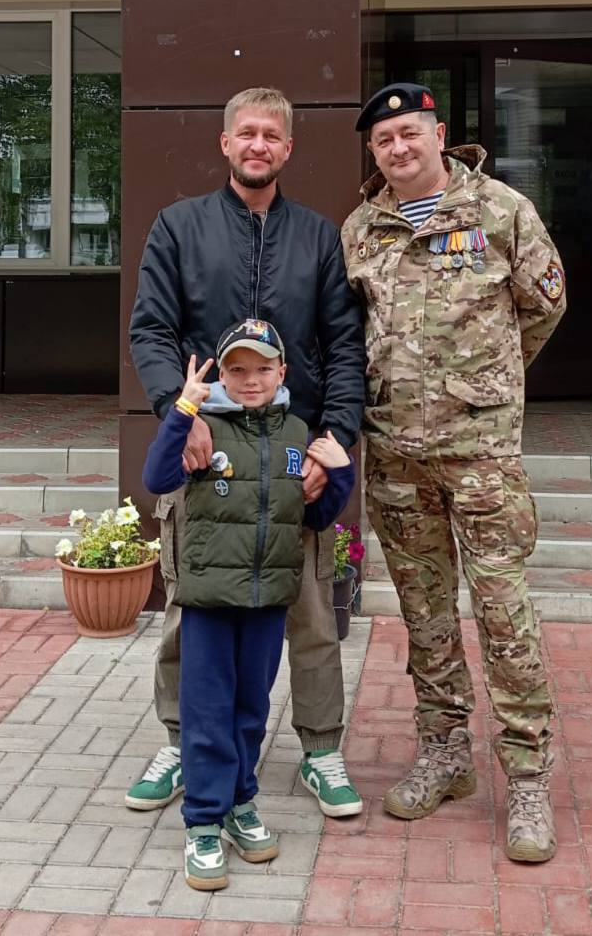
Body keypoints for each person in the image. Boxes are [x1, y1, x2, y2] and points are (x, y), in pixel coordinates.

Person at [341, 83, 566, 863]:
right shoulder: (361, 229)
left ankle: (529, 776)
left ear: (439, 136)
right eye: (383, 140)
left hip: (481, 457)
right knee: (426, 615)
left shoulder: (501, 211)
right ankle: (444, 753)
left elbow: (543, 309)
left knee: (503, 611)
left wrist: (485, 385)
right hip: (396, 458)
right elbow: (351, 330)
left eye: (409, 133)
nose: (397, 148)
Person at [128, 87, 365, 820]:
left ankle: (321, 748)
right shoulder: (179, 227)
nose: (258, 145)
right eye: (247, 133)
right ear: (225, 142)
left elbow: (345, 346)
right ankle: (182, 742)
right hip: (205, 456)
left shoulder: (318, 237)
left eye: (272, 135)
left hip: (293, 455)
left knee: (312, 614)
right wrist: (179, 414)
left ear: (288, 149)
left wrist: (334, 439)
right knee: (190, 610)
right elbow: (151, 330)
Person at [142, 318, 355, 891]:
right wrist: (182, 411)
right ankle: (203, 824)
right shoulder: (203, 428)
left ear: (283, 372)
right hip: (210, 603)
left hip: (267, 603)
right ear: (222, 376)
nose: (251, 379)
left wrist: (340, 475)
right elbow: (156, 476)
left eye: (263, 368)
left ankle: (240, 803)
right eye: (237, 369)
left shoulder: (297, 432)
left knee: (251, 712)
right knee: (208, 713)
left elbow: (313, 515)